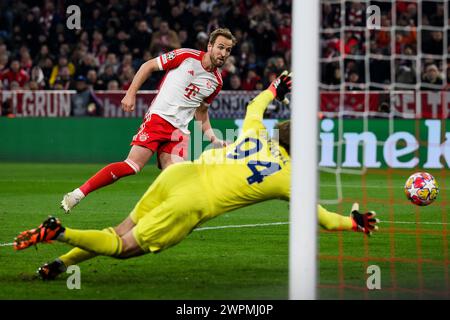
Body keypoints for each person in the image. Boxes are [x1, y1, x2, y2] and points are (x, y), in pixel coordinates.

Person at [14, 71, 379, 280]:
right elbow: (324, 220)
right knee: (123, 248)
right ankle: (58, 232)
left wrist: (275, 89)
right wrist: (353, 222)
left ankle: (58, 265)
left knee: (119, 230)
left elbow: (255, 105)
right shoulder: (289, 177)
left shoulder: (255, 132)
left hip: (180, 176)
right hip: (192, 204)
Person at [60, 28, 236, 213]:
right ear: (210, 46)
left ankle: (158, 219)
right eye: (220, 47)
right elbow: (148, 66)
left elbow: (201, 112)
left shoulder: (216, 82)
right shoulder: (186, 56)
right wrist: (130, 93)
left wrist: (213, 138)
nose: (223, 53)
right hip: (158, 119)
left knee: (175, 176)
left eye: (228, 50)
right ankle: (78, 194)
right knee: (132, 166)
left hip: (180, 132)